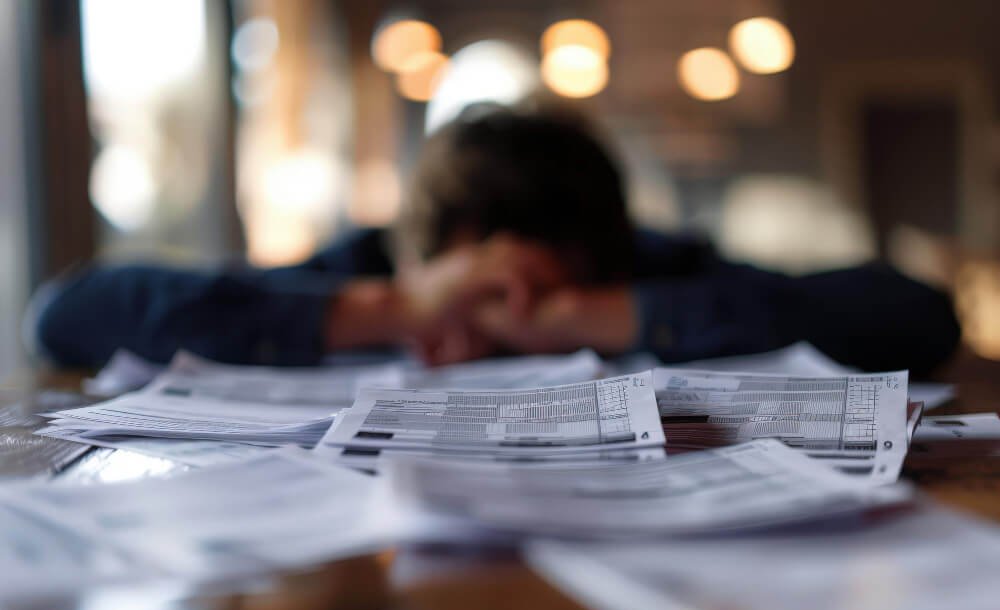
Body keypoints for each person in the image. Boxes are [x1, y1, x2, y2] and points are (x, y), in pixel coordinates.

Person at [31, 106, 960, 376]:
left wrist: (598, 316)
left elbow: (917, 314)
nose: (496, 312)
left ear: (603, 257)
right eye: (467, 284)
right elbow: (65, 316)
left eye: (528, 294)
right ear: (411, 252)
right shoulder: (362, 266)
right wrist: (388, 310)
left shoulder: (645, 264)